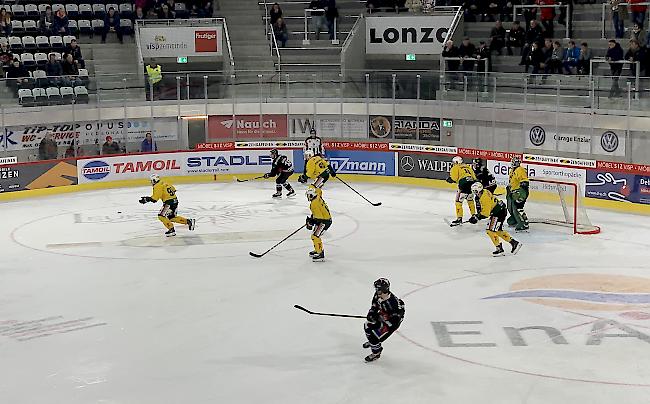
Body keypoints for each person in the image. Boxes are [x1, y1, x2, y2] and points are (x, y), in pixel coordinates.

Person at [470, 183, 522, 256]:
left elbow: (485, 214)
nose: (474, 193)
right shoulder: (485, 191)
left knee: (490, 230)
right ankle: (514, 243)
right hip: (500, 210)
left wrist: (476, 217)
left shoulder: (484, 197)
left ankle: (499, 249)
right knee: (498, 231)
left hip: (498, 213)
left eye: (475, 191)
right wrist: (477, 216)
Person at [363, 278, 405, 362]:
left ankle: (376, 353)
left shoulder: (393, 303)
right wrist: (371, 314)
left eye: (378, 289)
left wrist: (380, 319)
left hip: (390, 324)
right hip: (383, 316)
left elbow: (395, 320)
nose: (376, 291)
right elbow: (374, 306)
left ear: (384, 290)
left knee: (375, 337)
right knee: (367, 325)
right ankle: (372, 342)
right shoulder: (377, 295)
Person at [446, 156, 477, 227]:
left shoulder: (455, 167)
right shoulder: (468, 166)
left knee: (458, 202)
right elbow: (474, 177)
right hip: (471, 184)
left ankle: (459, 218)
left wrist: (449, 180)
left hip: (463, 185)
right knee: (470, 200)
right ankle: (474, 215)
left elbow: (454, 178)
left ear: (456, 162)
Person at [305, 185, 331, 261]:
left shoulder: (314, 204)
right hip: (323, 219)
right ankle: (318, 249)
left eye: (308, 195)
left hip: (324, 221)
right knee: (314, 236)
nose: (307, 197)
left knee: (315, 236)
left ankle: (320, 254)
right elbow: (319, 190)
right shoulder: (318, 196)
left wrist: (311, 222)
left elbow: (319, 218)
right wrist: (312, 187)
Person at [506, 156, 529, 231]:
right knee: (511, 208)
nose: (514, 163)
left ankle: (523, 223)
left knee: (517, 207)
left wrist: (521, 191)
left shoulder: (520, 169)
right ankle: (516, 220)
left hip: (519, 192)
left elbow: (524, 181)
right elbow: (513, 181)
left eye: (516, 162)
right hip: (514, 192)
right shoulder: (512, 170)